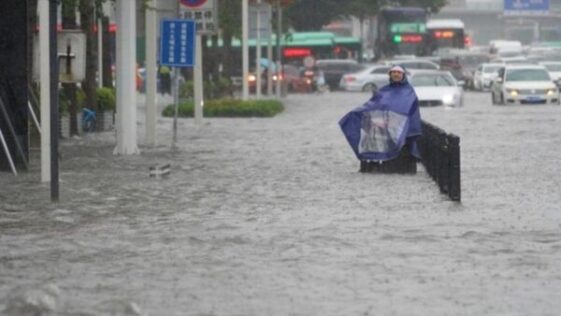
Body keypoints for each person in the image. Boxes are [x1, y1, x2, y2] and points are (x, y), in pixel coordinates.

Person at [339, 65, 422, 173]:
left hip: (402, 134)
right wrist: (357, 113)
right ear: (390, 75)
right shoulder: (383, 91)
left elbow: (411, 111)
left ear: (403, 75)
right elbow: (372, 106)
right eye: (393, 72)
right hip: (383, 133)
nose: (396, 74)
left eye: (398, 72)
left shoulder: (409, 92)